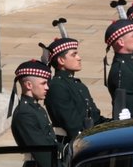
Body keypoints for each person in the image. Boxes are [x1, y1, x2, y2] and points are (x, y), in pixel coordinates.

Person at [9, 59, 59, 167]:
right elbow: (42, 153)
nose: (47, 87)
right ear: (29, 85)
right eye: (43, 83)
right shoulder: (24, 114)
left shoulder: (36, 109)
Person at [42, 19, 109, 148]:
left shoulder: (78, 85)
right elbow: (73, 126)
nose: (79, 58)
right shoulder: (57, 87)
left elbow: (95, 118)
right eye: (74, 55)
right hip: (74, 146)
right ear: (61, 60)